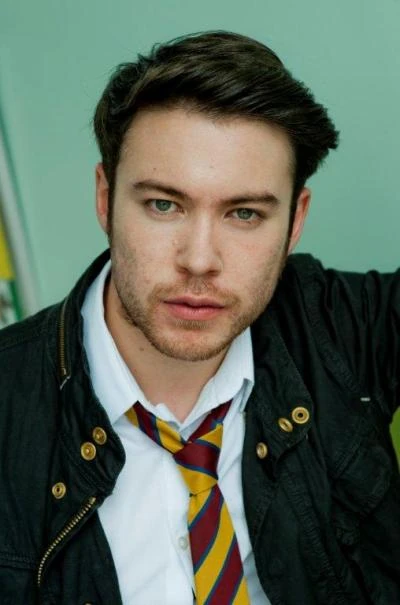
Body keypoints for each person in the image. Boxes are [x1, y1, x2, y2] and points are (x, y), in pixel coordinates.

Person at [0, 30, 398, 605]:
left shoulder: (341, 327)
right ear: (105, 199)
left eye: (244, 214)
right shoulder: (11, 402)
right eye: (164, 205)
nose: (200, 260)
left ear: (295, 221)